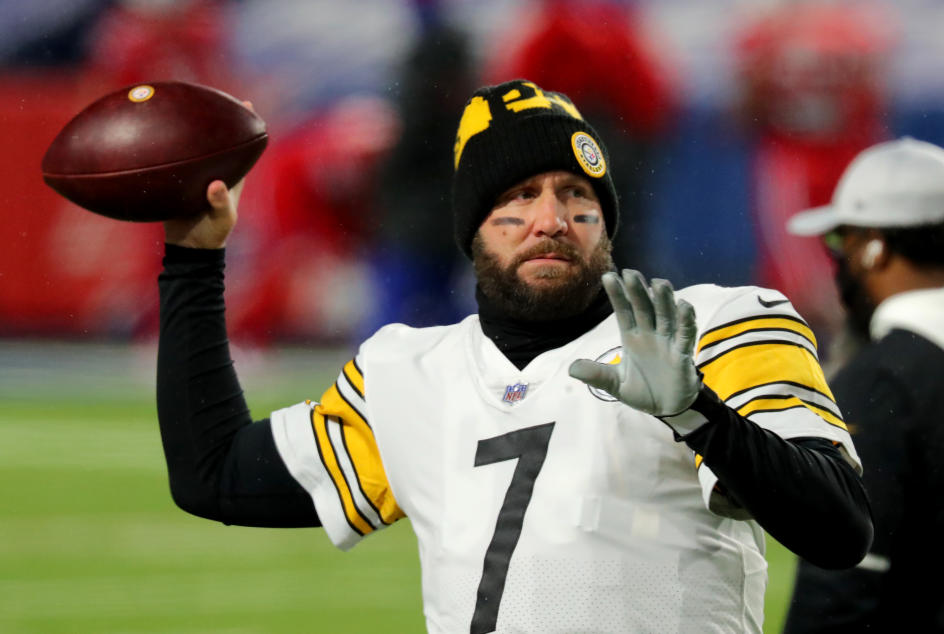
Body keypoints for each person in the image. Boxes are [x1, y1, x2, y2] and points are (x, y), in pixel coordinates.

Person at [156, 79, 871, 633]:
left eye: (575, 196)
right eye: (520, 196)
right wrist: (194, 259)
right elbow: (214, 475)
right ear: (473, 225)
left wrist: (699, 413)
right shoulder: (408, 373)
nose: (551, 219)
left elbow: (839, 526)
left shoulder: (713, 325)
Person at [783, 137, 944, 633]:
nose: (838, 261)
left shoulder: (882, 381)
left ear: (874, 248)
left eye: (841, 241)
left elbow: (843, 583)